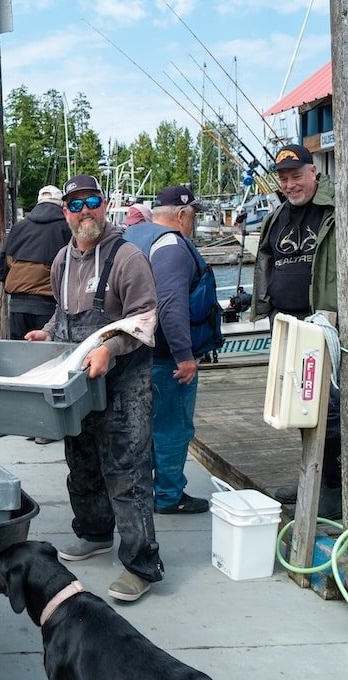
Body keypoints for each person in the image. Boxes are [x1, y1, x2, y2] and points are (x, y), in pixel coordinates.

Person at [25, 173, 164, 603]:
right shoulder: (61, 261)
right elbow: (62, 315)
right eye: (75, 204)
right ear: (64, 211)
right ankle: (94, 533)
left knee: (127, 473)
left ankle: (142, 564)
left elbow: (145, 318)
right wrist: (48, 333)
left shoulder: (127, 258)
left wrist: (110, 347)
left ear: (105, 205)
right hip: (79, 383)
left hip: (125, 383)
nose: (85, 211)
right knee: (81, 463)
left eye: (92, 201)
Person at [252, 143, 348, 518]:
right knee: (300, 406)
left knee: (331, 409)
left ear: (314, 171)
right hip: (286, 325)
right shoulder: (279, 214)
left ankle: (334, 488)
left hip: (324, 326)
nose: (290, 184)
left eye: (296, 176)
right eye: (284, 178)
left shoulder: (340, 205)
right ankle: (312, 477)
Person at [124, 185, 210, 515]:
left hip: (131, 351)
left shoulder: (131, 237)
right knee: (173, 426)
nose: (194, 224)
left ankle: (141, 489)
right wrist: (184, 356)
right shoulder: (172, 245)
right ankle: (169, 496)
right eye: (193, 217)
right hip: (164, 356)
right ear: (181, 215)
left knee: (141, 427)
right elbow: (171, 305)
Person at [0, 185, 72, 341]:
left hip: (17, 306)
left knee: (17, 355)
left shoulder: (18, 227)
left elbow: (1, 271)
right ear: (61, 205)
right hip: (49, 306)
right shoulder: (67, 228)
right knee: (49, 358)